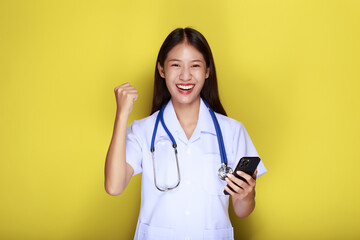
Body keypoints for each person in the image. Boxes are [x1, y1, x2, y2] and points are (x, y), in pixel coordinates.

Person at [105, 27, 267, 240]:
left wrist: (247, 196)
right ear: (161, 70)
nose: (185, 76)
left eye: (195, 66)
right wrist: (122, 115)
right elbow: (114, 186)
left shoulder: (232, 131)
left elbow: (241, 211)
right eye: (175, 65)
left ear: (207, 71)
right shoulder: (143, 130)